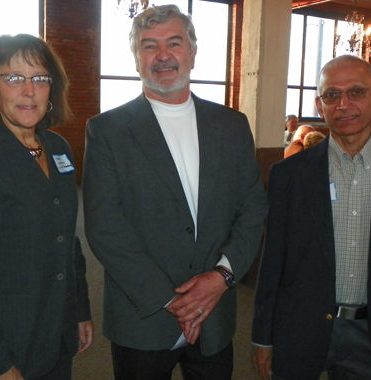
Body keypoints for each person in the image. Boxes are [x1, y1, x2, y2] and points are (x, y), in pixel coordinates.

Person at [83, 5, 266, 380]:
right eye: (149, 46)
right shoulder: (106, 130)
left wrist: (222, 278)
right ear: (136, 59)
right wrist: (174, 302)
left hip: (216, 314)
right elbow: (105, 227)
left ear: (193, 53)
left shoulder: (232, 126)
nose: (163, 56)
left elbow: (253, 209)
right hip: (143, 317)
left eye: (174, 43)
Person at [251, 55, 371, 380]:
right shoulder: (288, 175)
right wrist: (262, 336)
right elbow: (272, 261)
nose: (344, 103)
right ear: (320, 106)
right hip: (299, 328)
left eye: (357, 92)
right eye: (332, 95)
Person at [0, 34, 93, 380]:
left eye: (40, 78)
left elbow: (67, 240)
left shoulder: (59, 148)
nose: (29, 90)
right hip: (7, 345)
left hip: (56, 332)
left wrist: (79, 309)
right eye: (13, 78)